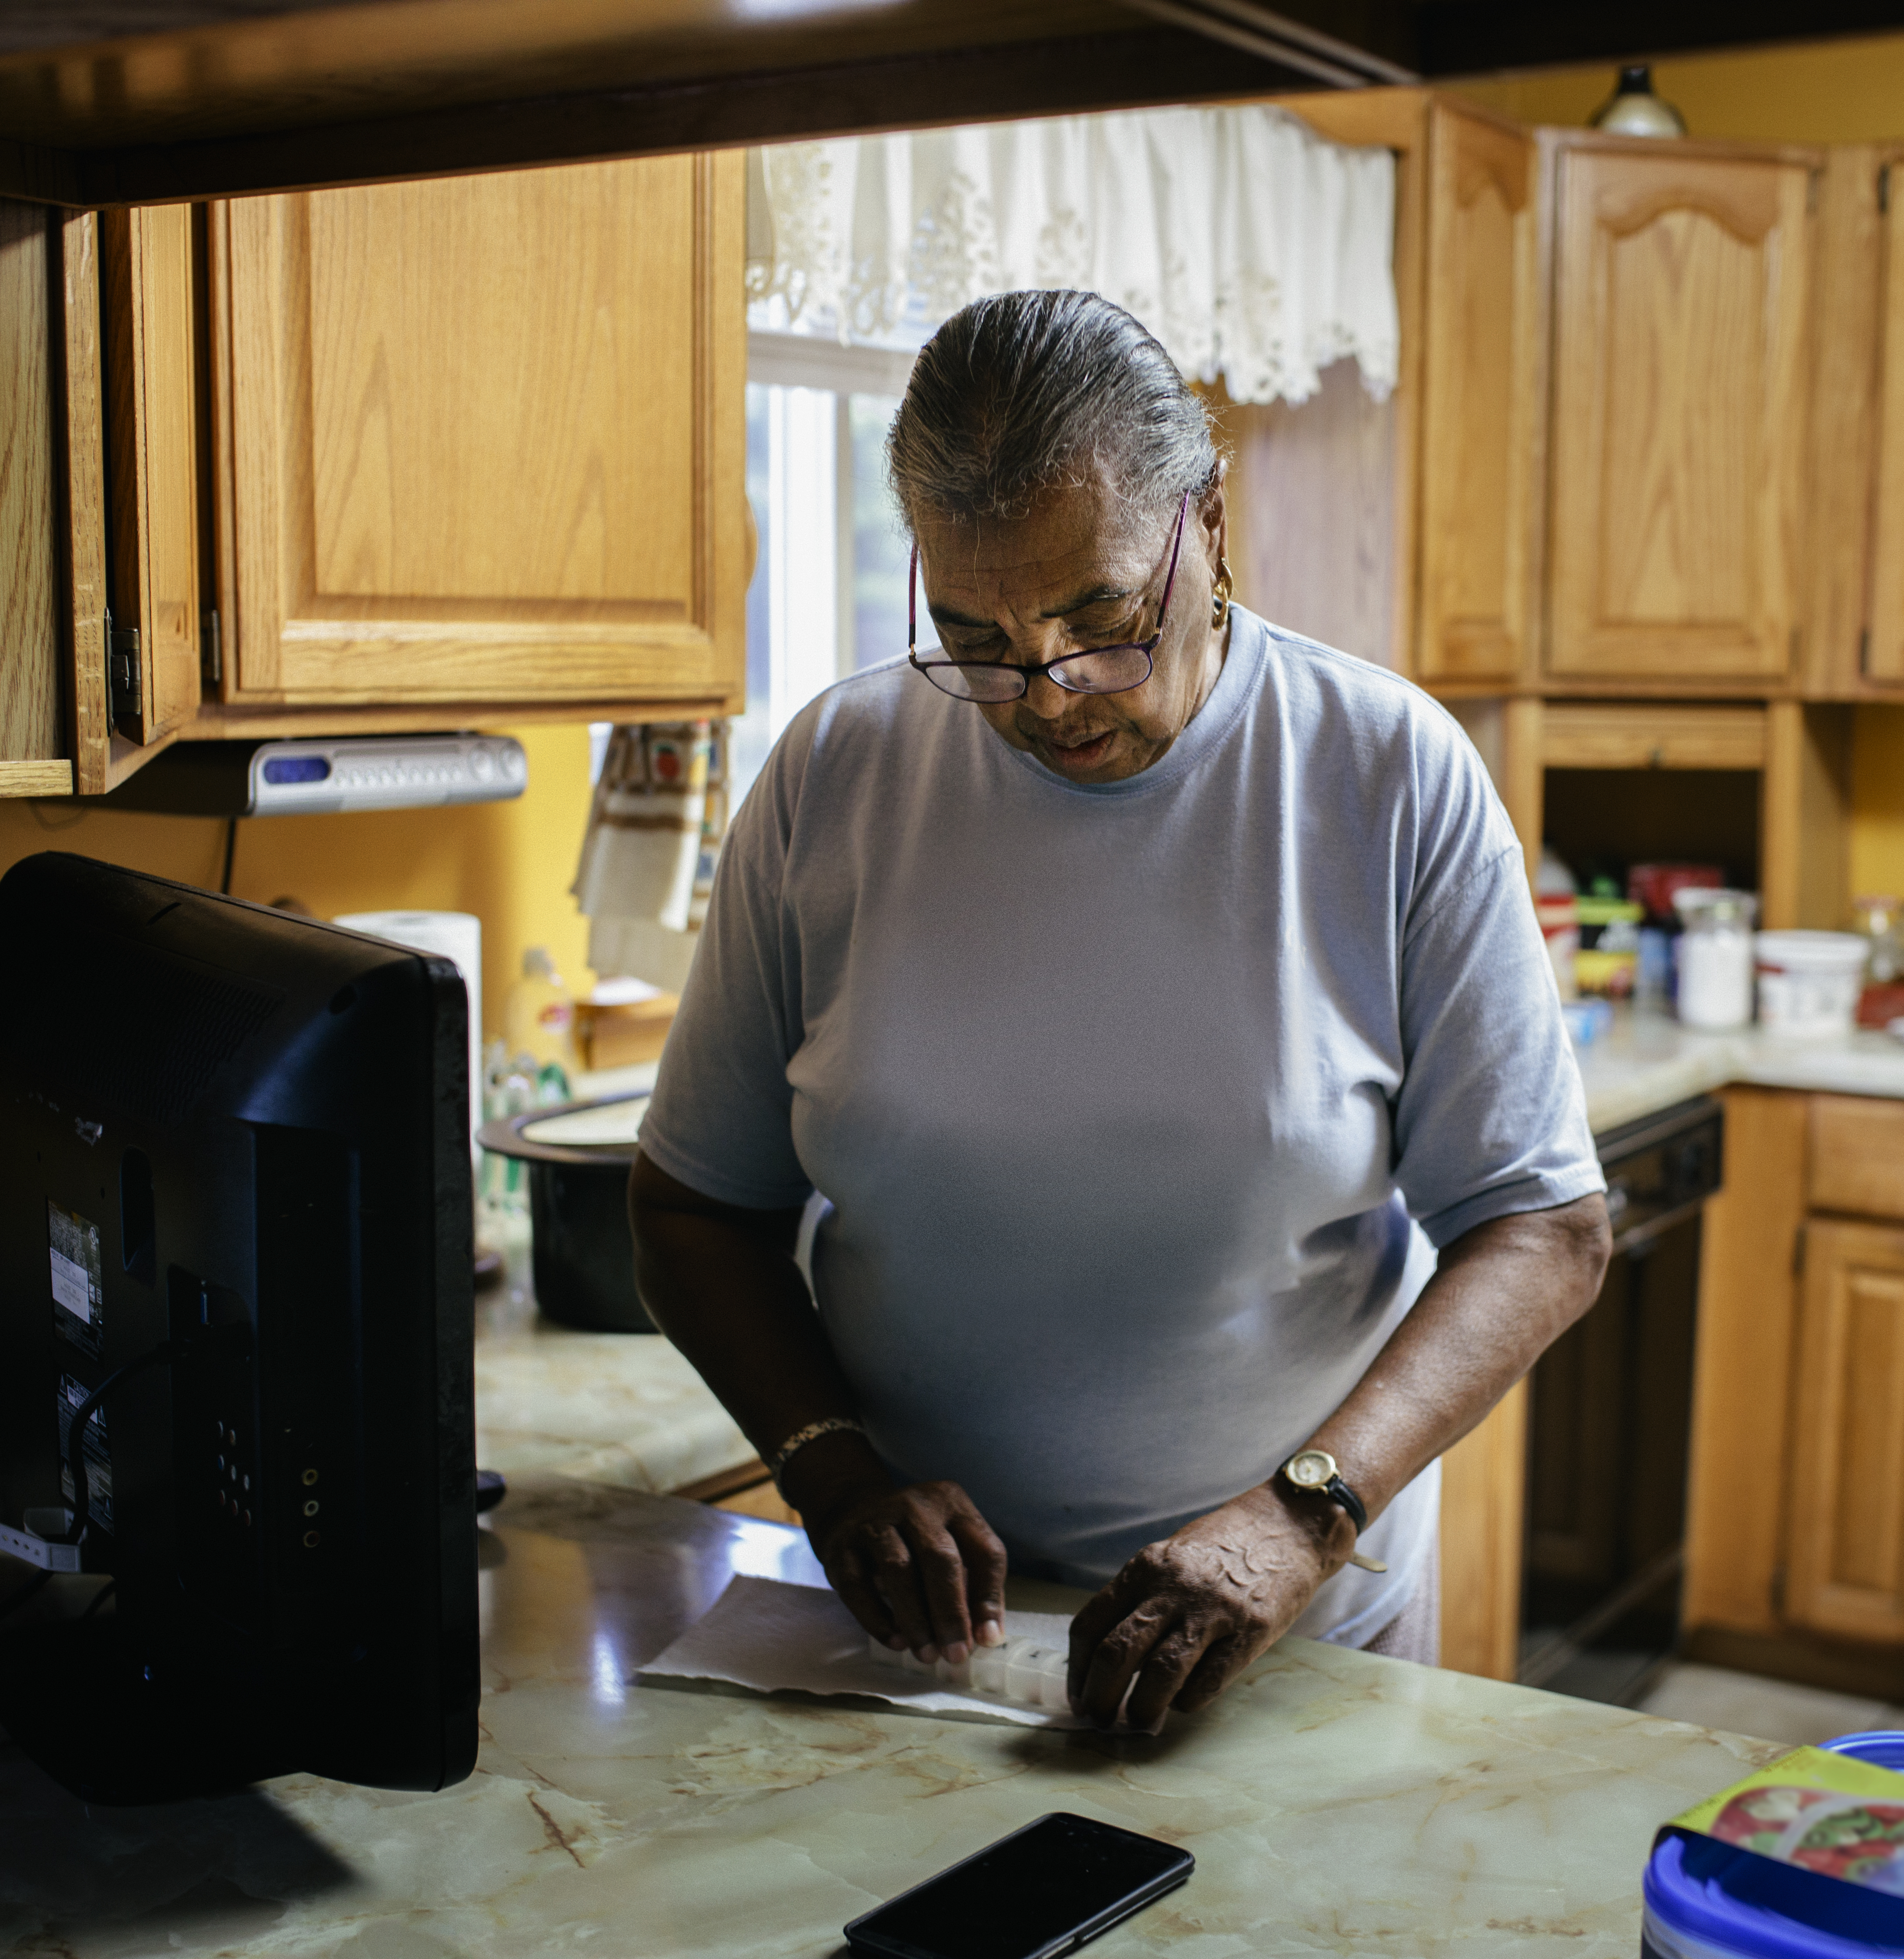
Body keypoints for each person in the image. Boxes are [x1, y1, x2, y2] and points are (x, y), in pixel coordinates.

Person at [627, 289, 1610, 1734]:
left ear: (1210, 521)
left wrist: (1302, 1517)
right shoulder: (835, 776)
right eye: (976, 638)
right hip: (913, 1655)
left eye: (1099, 620)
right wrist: (831, 1469)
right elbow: (695, 1205)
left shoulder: (1387, 775)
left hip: (1292, 1635)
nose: (1048, 696)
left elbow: (1543, 1231)